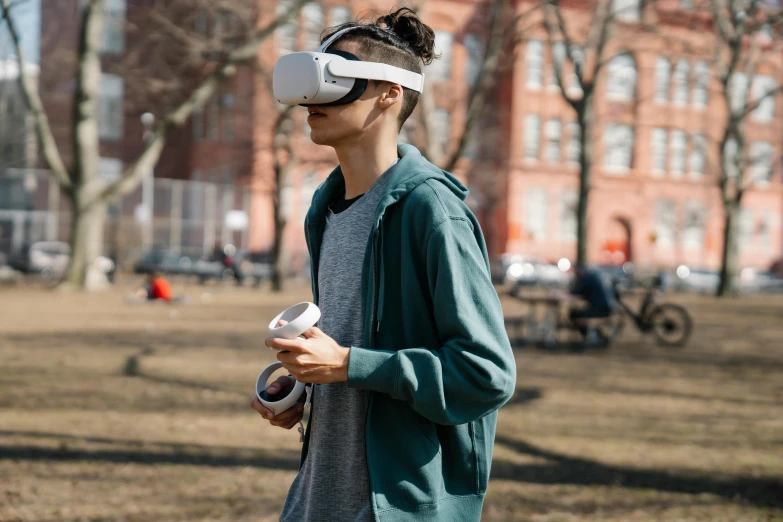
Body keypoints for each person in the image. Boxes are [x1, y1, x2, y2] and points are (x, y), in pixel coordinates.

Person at [249, 9, 516, 522]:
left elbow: (487, 374)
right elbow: (356, 343)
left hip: (394, 507)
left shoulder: (431, 212)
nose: (312, 98)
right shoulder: (324, 211)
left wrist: (349, 366)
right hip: (315, 500)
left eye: (339, 75)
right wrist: (304, 386)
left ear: (390, 93)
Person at [568, 264, 616, 344]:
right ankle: (598, 336)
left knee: (575, 314)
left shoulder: (587, 278)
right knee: (577, 313)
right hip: (605, 308)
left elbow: (576, 291)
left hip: (601, 309)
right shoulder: (592, 276)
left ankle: (593, 336)